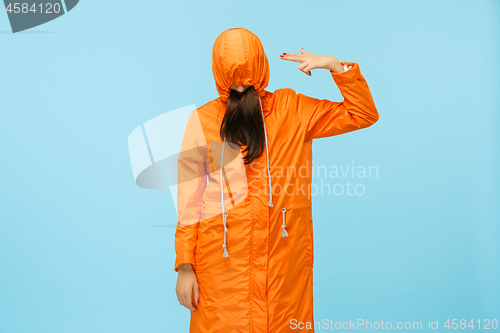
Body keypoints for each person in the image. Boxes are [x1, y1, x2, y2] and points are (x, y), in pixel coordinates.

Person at [174, 27, 379, 333]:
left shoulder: (291, 109)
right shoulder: (203, 120)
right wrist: (185, 266)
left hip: (282, 262)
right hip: (222, 264)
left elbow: (361, 113)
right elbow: (190, 201)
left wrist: (336, 67)